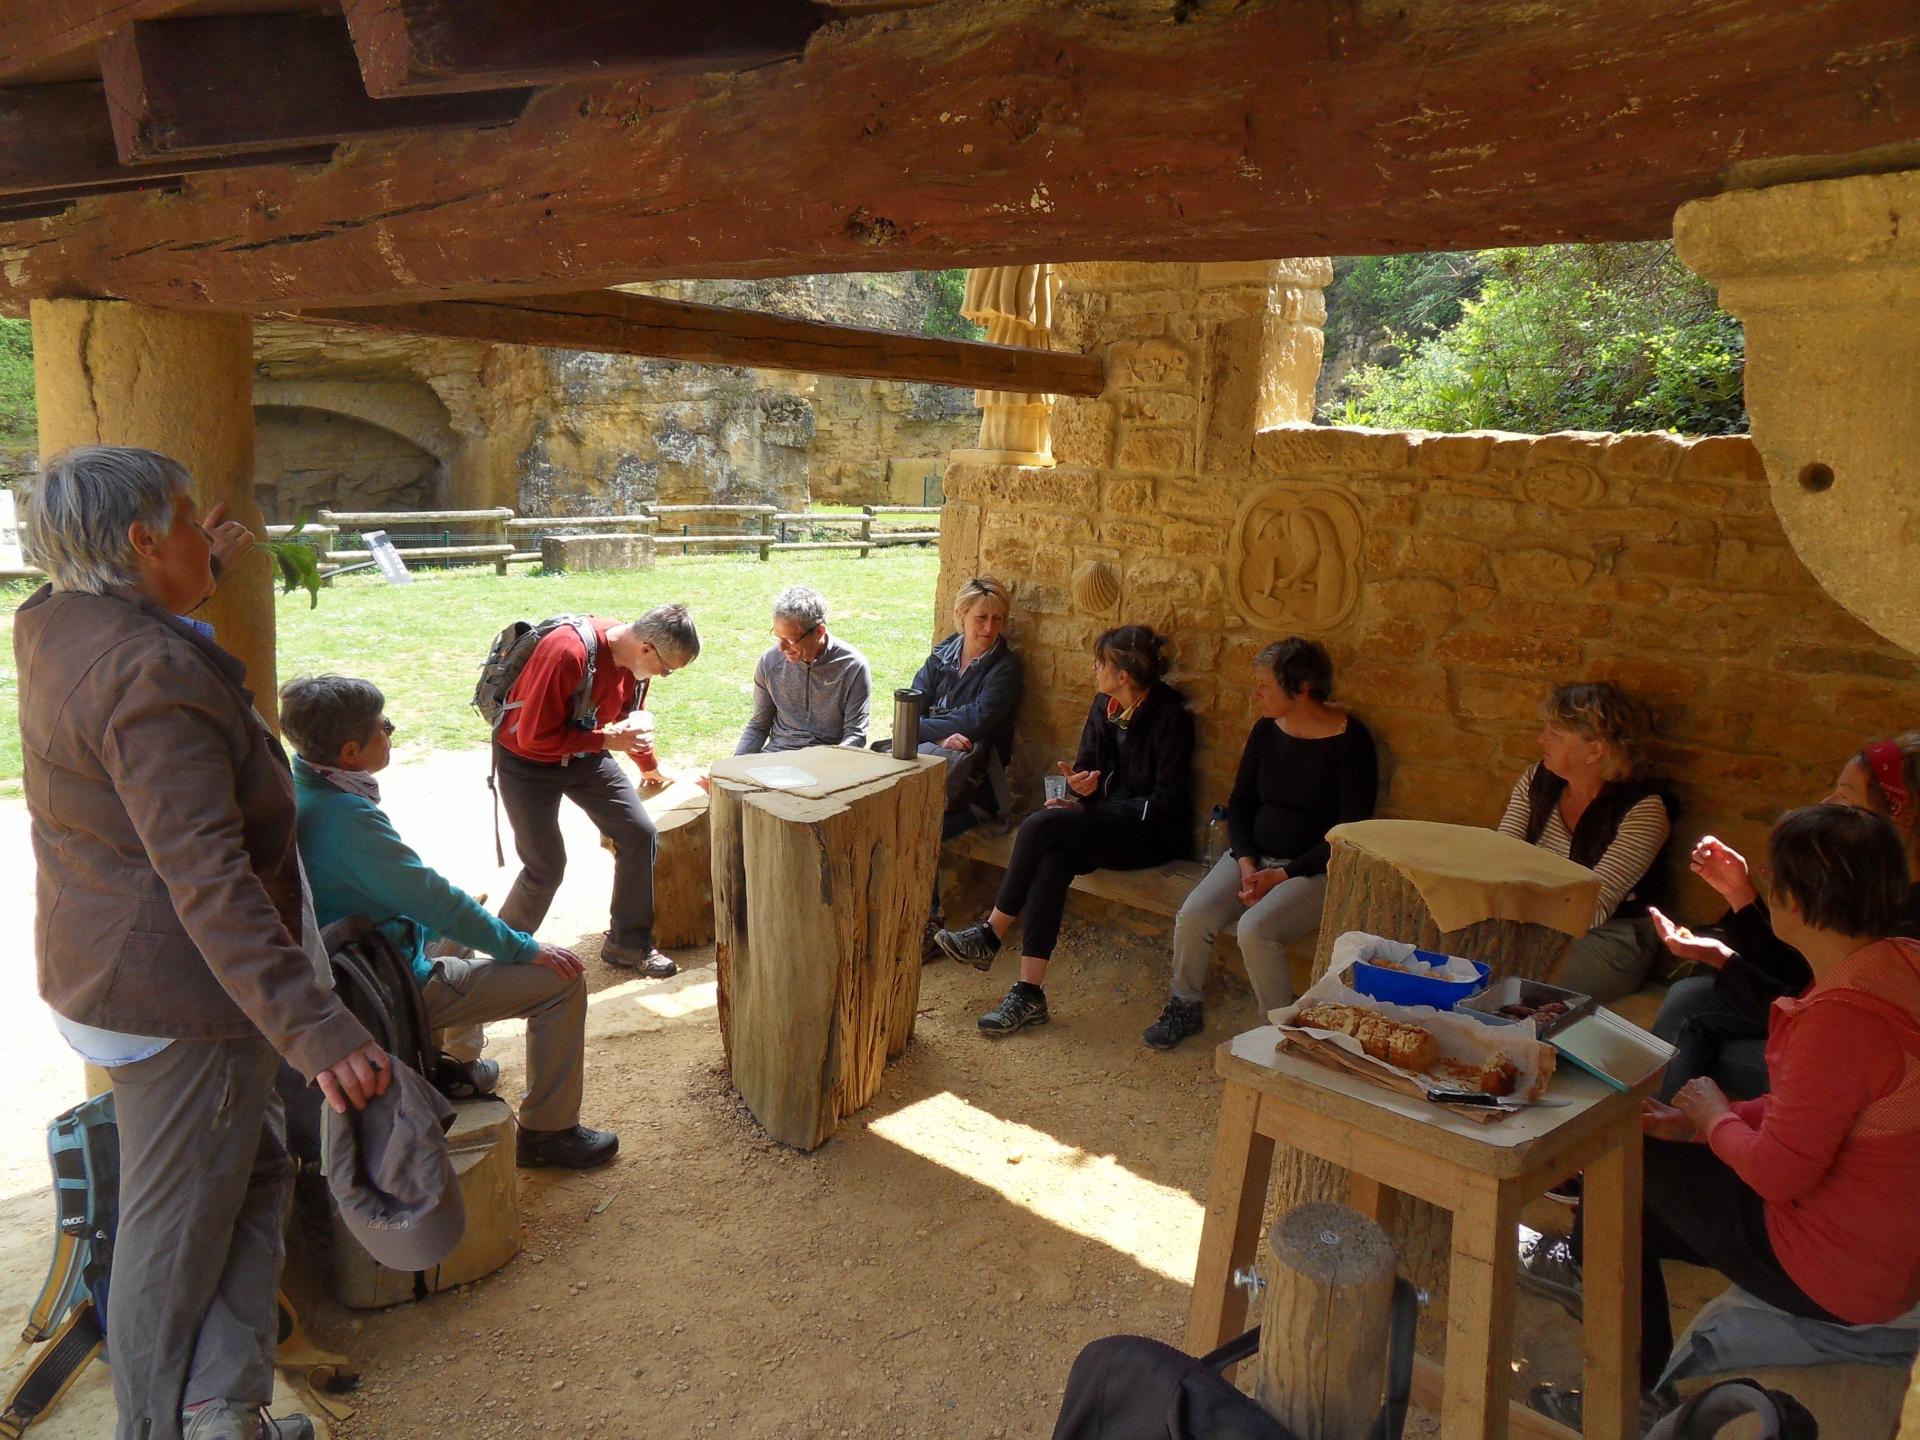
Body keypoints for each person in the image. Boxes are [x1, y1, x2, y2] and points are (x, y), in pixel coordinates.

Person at [16, 446, 384, 1440]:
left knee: (249, 1171)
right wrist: (317, 1027)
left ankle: (220, 1407)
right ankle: (158, 1425)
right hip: (177, 994)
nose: (202, 530)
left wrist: (185, 576)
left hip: (109, 967)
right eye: (183, 520)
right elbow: (208, 881)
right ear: (139, 543)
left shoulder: (59, 623)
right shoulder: (153, 676)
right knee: (172, 1232)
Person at [1525, 805, 1920, 1429]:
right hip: (1882, 1248)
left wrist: (1712, 1121)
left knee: (1622, 1168)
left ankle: (1617, 1397)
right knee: (1637, 1198)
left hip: (1843, 1273)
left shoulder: (1843, 1016)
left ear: (1796, 899)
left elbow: (1778, 1173)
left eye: (1774, 877)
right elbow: (1829, 1105)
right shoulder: (1900, 961)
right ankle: (1625, 1356)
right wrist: (1719, 1117)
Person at [283, 675, 617, 1169]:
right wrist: (523, 948)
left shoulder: (305, 787)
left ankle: (452, 1070)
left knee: (457, 937)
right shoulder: (348, 821)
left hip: (355, 960)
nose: (390, 733)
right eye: (385, 727)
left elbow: (427, 902)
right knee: (559, 984)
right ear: (351, 751)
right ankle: (550, 1132)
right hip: (383, 984)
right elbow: (435, 900)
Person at [934, 625, 1194, 1035]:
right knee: (1052, 857)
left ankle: (991, 933)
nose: (1094, 669)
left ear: (1122, 674)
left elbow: (1166, 804)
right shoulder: (1102, 706)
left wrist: (1095, 806)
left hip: (1150, 836)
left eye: (1100, 663)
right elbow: (1087, 768)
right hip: (1107, 823)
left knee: (1042, 823)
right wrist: (1081, 790)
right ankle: (1027, 992)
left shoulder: (1170, 718)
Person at [1649, 732, 1920, 1099]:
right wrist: (1741, 897)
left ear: (1900, 820)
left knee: (1722, 1055)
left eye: (1845, 797)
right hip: (1823, 1023)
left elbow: (1814, 1012)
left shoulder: (1898, 927)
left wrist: (1724, 959)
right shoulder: (1878, 885)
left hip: (1866, 1077)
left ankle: (1658, 1137)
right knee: (1690, 998)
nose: (1826, 803)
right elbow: (1802, 976)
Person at [1144, 637, 1377, 1050]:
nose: (1256, 695)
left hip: (1312, 869)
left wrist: (1283, 874)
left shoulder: (1350, 740)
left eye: (1265, 686)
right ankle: (1184, 1004)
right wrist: (1249, 863)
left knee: (1256, 929)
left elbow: (1349, 831)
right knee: (1194, 914)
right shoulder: (1266, 730)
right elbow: (1242, 802)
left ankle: (1279, 1031)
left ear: (1301, 687)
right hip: (1255, 857)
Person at [493, 604, 701, 979]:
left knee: (639, 834)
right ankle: (504, 950)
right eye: (667, 668)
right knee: (545, 867)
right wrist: (605, 740)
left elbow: (627, 719)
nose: (664, 675)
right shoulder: (568, 652)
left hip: (585, 754)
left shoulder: (635, 667)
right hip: (528, 762)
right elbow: (533, 736)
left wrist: (647, 764)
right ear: (647, 648)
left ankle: (628, 943)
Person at [1495, 681, 1672, 1003]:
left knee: (1506, 981)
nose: (1541, 739)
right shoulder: (1537, 780)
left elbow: (1594, 905)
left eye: (1556, 735)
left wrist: (1516, 914)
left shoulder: (1644, 810)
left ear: (1596, 749)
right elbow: (1498, 858)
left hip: (1610, 939)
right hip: (1530, 920)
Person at [908, 575, 1024, 840]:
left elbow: (975, 722)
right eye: (981, 618)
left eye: (998, 619)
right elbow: (912, 705)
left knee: (922, 835)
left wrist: (915, 728)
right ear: (962, 615)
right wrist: (939, 736)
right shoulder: (942, 655)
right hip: (927, 766)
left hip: (974, 786)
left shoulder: (1005, 670)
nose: (990, 627)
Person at [734, 584, 872, 754]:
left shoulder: (853, 666)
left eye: (790, 640)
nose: (781, 648)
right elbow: (758, 727)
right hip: (775, 757)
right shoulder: (769, 663)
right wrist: (733, 766)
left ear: (819, 632)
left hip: (826, 759)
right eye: (778, 637)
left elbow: (856, 734)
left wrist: (831, 762)